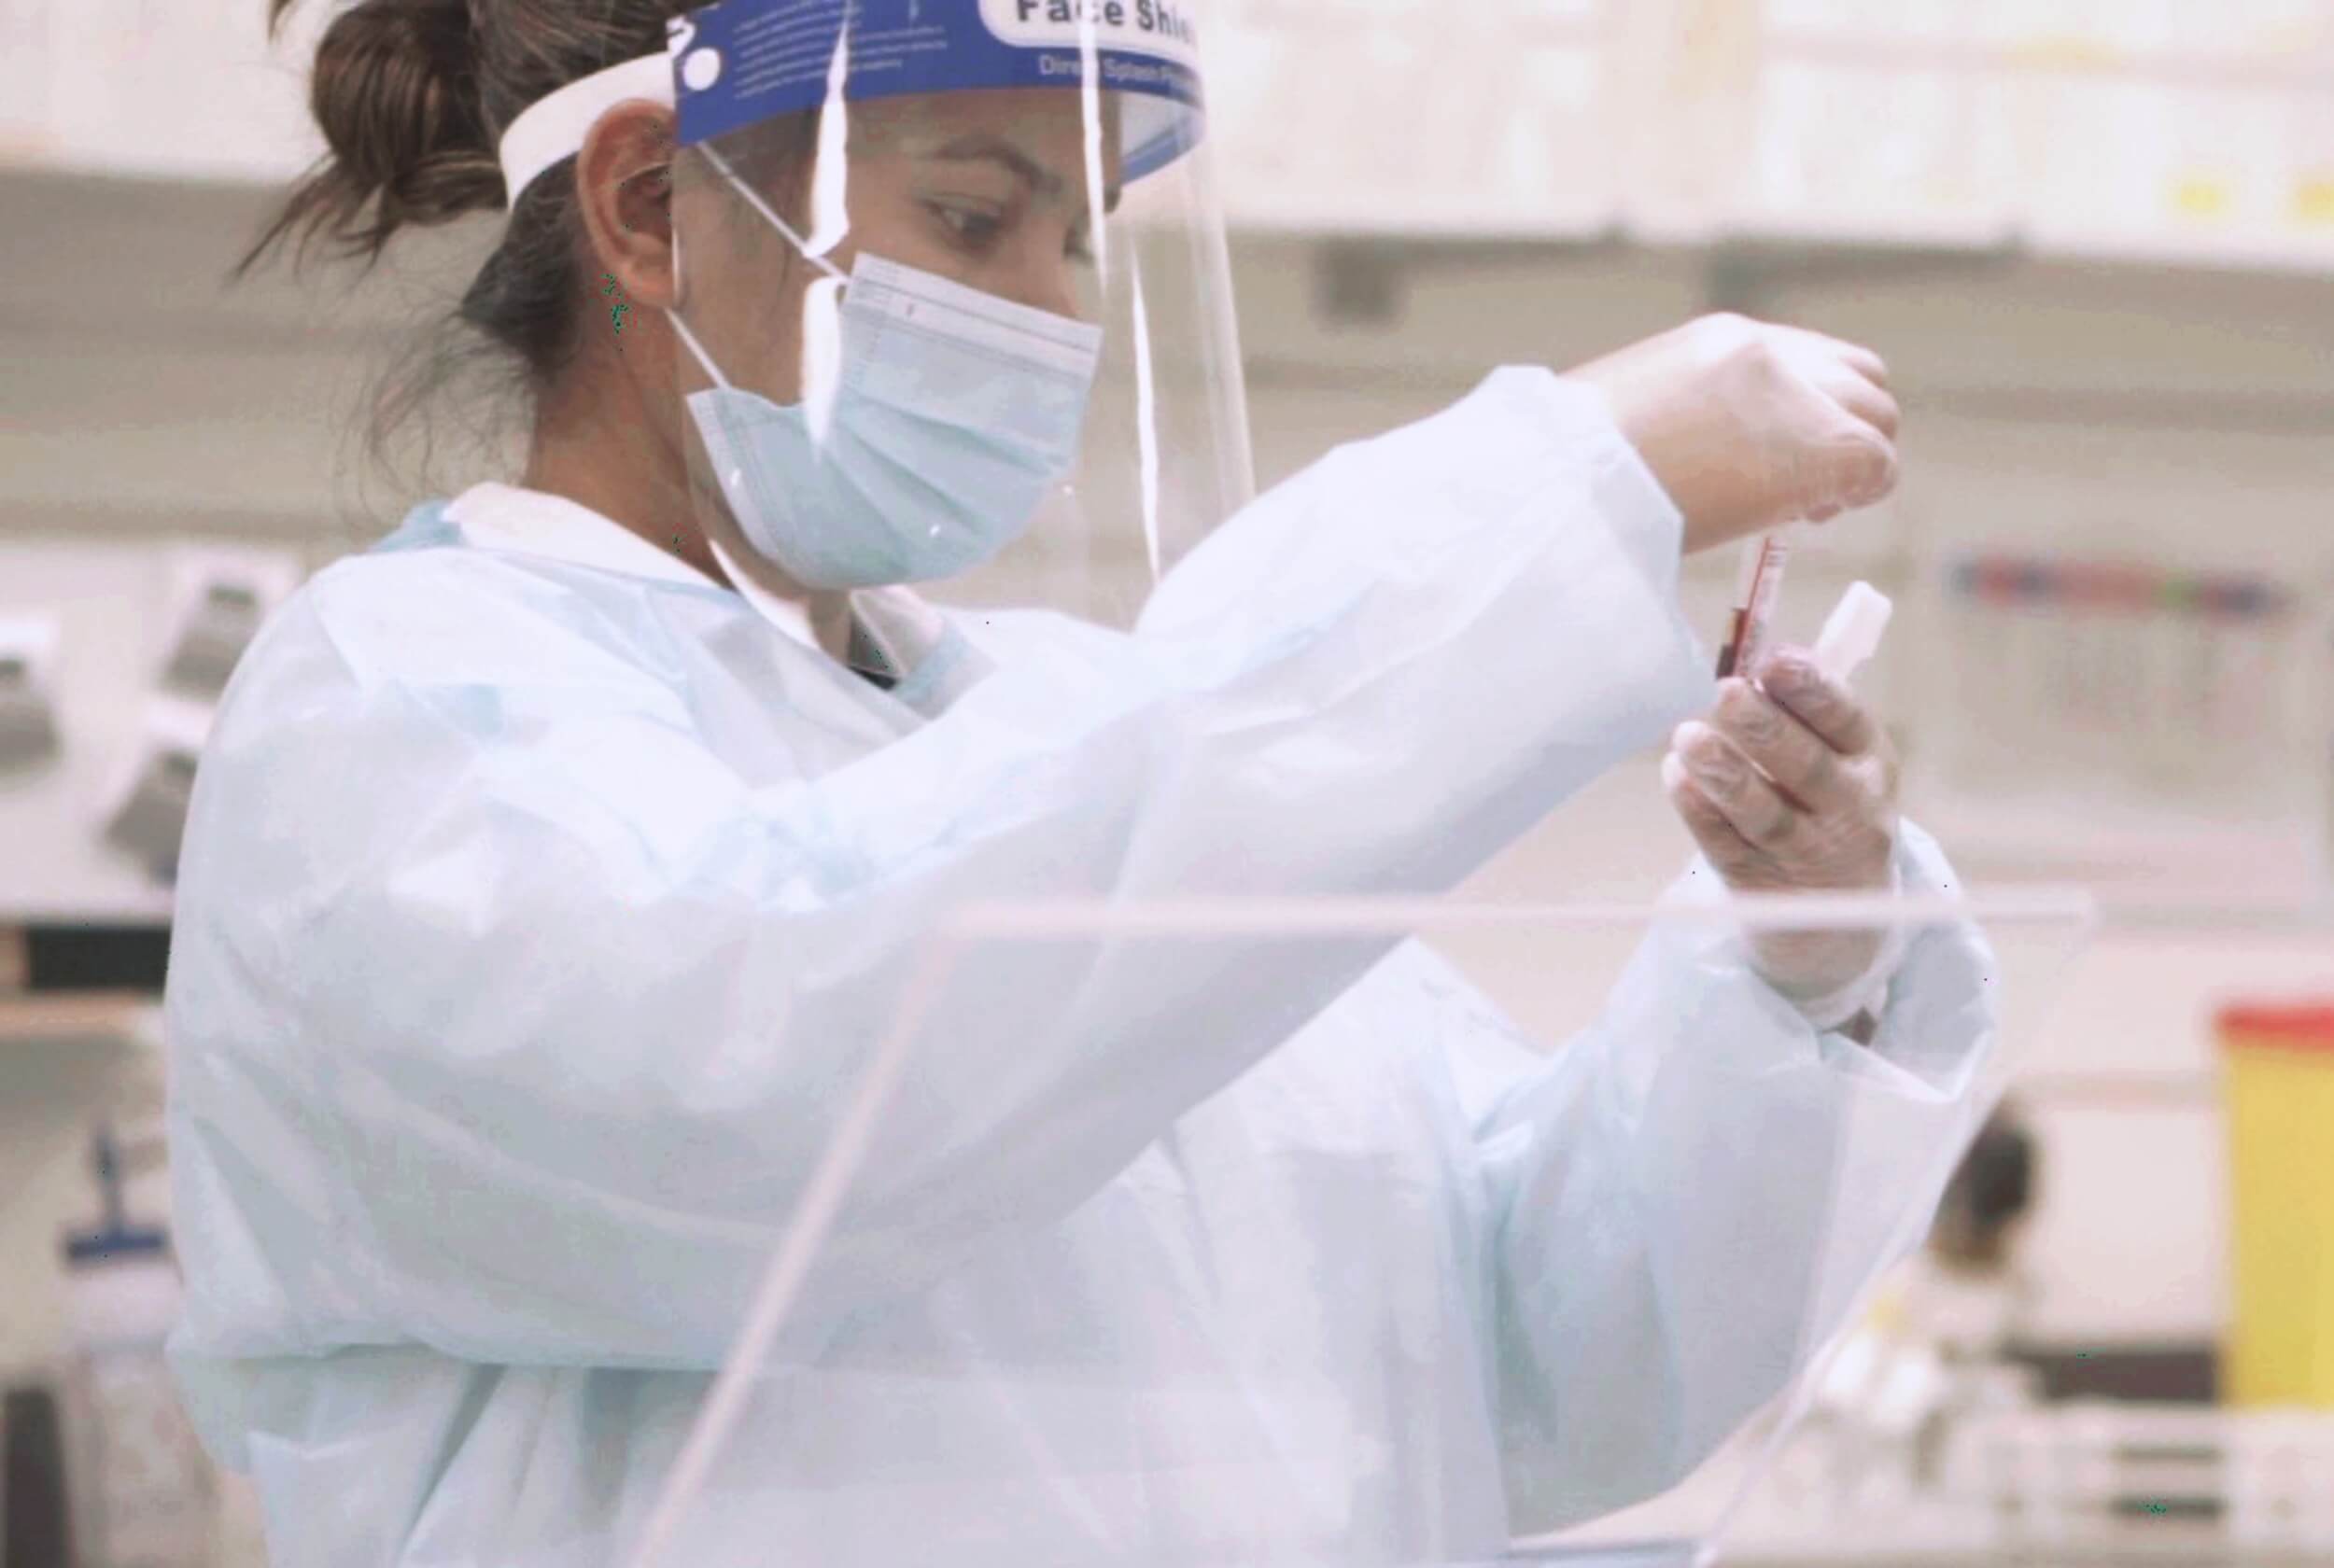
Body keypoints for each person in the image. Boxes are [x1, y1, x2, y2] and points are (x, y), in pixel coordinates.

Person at [162, 1, 1997, 1563]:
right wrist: (1557, 495)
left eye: (1077, 244)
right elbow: (786, 1080)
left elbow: (1526, 1347)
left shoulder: (1056, 736)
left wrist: (1795, 968)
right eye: (973, 216)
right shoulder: (399, 723)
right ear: (651, 209)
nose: (1048, 312)